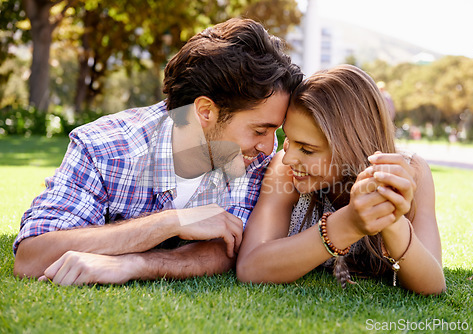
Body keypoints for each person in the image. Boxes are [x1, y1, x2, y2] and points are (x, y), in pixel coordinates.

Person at [13, 18, 303, 286]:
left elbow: (226, 249)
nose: (269, 146)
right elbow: (32, 257)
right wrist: (170, 222)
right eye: (259, 130)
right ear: (205, 111)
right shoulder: (104, 147)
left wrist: (133, 264)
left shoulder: (255, 156)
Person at [236, 65, 446, 295]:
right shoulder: (285, 171)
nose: (289, 159)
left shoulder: (411, 173)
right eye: (289, 140)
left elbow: (433, 286)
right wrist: (348, 224)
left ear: (352, 148)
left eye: (306, 149)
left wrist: (390, 220)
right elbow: (250, 267)